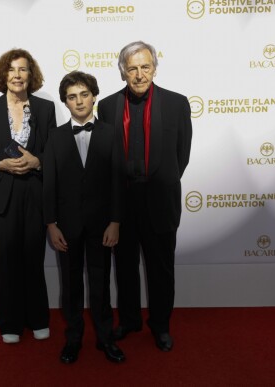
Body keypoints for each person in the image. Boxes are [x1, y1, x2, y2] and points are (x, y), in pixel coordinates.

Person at [97, 41, 192, 352]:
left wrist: (161, 181)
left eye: (145, 67)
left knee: (160, 270)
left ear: (155, 68)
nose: (139, 74)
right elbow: (107, 158)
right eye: (133, 68)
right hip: (122, 203)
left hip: (160, 200)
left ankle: (161, 326)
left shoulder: (177, 104)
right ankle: (129, 320)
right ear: (123, 71)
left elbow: (182, 155)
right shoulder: (108, 106)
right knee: (124, 267)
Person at [0, 48, 56, 344]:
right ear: (2, 75)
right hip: (1, 194)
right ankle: (10, 323)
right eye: (12, 70)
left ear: (31, 76)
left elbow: (53, 152)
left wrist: (38, 162)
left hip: (34, 191)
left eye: (23, 70)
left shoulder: (45, 109)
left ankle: (38, 319)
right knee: (7, 259)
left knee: (34, 257)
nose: (17, 75)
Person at [44, 71, 125, 363]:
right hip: (66, 227)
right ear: (65, 102)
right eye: (71, 97)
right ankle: (73, 339)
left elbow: (118, 181)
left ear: (94, 96)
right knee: (71, 287)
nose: (79, 101)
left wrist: (115, 221)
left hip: (103, 226)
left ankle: (105, 339)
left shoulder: (111, 133)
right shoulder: (54, 137)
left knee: (101, 285)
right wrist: (51, 224)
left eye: (84, 94)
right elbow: (49, 183)